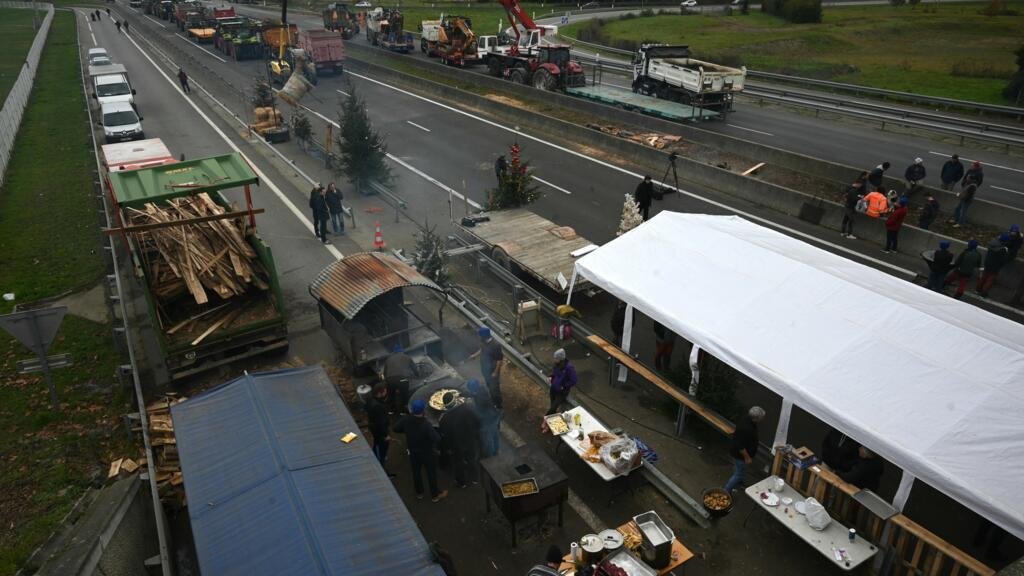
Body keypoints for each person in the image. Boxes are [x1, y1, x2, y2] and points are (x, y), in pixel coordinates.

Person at [394, 399, 448, 502]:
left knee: (416, 472)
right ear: (423, 411)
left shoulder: (406, 419)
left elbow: (395, 428)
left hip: (413, 452)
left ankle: (419, 493)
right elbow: (437, 438)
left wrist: (406, 431)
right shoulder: (426, 424)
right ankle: (435, 495)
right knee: (431, 473)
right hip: (427, 453)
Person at [438, 392, 481, 488]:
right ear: (455, 401)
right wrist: (475, 432)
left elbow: (443, 432)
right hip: (470, 440)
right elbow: (478, 419)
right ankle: (474, 478)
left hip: (456, 445)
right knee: (471, 459)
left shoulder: (444, 419)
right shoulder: (466, 408)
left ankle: (462, 482)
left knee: (458, 462)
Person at [724, 406, 765, 493]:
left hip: (735, 451)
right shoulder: (746, 428)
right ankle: (726, 491)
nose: (762, 419)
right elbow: (741, 447)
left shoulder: (747, 419)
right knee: (738, 474)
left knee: (738, 469)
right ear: (756, 418)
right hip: (740, 456)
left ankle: (739, 481)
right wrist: (747, 458)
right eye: (761, 418)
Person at [469, 326, 503, 409]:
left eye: (480, 336)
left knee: (494, 389)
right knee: (489, 385)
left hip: (492, 371)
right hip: (485, 369)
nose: (479, 337)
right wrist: (475, 355)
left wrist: (495, 372)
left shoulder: (496, 346)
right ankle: (493, 399)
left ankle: (498, 406)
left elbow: (499, 360)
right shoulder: (484, 342)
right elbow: (482, 349)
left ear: (484, 336)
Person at [466, 379, 500, 458]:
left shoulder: (481, 398)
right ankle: (496, 450)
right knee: (495, 433)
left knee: (487, 438)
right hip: (495, 414)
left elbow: (478, 410)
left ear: (474, 389)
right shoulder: (482, 389)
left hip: (489, 418)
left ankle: (489, 455)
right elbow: (474, 394)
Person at [365, 384, 395, 474]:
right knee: (380, 447)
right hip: (379, 433)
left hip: (374, 428)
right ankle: (380, 467)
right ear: (380, 393)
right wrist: (385, 435)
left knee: (378, 445)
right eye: (385, 391)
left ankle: (380, 456)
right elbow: (381, 423)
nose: (386, 392)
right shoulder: (378, 406)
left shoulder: (370, 400)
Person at [383, 345, 416, 412]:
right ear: (402, 351)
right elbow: (414, 368)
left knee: (391, 395)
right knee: (404, 395)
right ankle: (404, 411)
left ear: (394, 352)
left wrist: (387, 381)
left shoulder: (389, 359)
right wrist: (417, 375)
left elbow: (384, 373)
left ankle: (391, 410)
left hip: (390, 380)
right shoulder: (407, 357)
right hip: (402, 380)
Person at [547, 348, 577, 415]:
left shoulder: (569, 368)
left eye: (556, 358)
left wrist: (564, 386)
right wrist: (551, 377)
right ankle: (552, 419)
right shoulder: (556, 364)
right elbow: (555, 373)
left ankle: (545, 420)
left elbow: (574, 380)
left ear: (560, 359)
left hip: (562, 392)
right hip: (553, 388)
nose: (554, 360)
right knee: (552, 406)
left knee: (553, 407)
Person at [840, 173, 867, 239]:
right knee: (851, 220)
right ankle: (849, 234)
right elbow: (854, 199)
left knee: (845, 220)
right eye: (860, 185)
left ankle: (843, 232)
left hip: (847, 206)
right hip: (850, 207)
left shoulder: (851, 189)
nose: (860, 186)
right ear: (857, 184)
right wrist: (860, 198)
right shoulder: (854, 191)